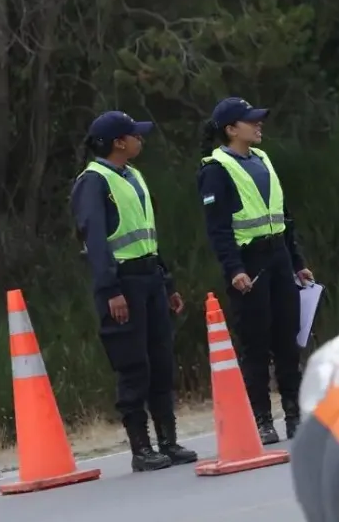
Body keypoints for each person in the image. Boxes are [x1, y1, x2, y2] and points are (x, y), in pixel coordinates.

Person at [70, 111, 199, 472]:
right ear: (118, 142)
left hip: (149, 279)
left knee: (160, 361)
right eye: (134, 135)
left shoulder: (134, 176)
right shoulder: (94, 181)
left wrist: (166, 281)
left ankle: (168, 442)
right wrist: (110, 290)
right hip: (122, 283)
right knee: (133, 365)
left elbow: (147, 235)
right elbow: (95, 241)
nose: (140, 140)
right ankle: (141, 448)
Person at [196, 97, 314, 444]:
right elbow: (217, 228)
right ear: (231, 129)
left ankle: (294, 413)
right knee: (256, 343)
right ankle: (262, 419)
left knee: (288, 338)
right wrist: (233, 269)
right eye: (251, 121)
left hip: (277, 256)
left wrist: (297, 262)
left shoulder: (263, 159)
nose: (259, 125)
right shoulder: (215, 170)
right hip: (249, 264)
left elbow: (283, 216)